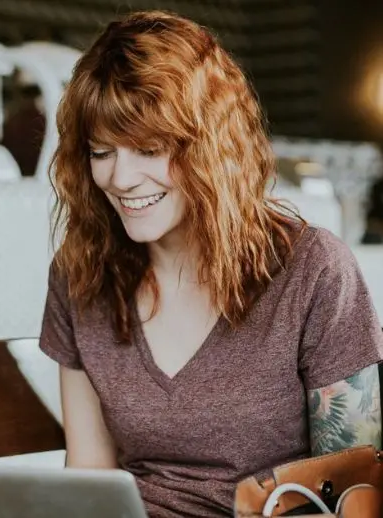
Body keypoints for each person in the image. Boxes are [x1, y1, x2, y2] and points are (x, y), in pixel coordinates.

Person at [39, 10, 383, 517]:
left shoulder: (312, 270)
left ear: (212, 148)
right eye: (101, 152)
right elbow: (89, 470)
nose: (120, 179)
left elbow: (354, 487)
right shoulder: (80, 275)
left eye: (150, 149)